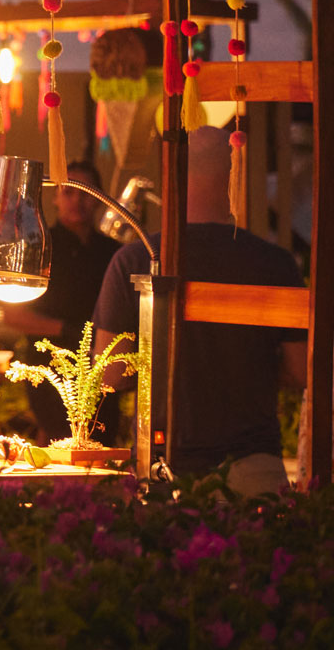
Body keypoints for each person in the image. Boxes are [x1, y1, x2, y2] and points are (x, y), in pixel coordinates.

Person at [93, 126, 306, 495]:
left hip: (163, 467)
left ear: (172, 179)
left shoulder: (135, 259)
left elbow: (109, 373)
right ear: (234, 179)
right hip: (254, 466)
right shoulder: (275, 264)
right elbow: (302, 368)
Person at [2, 159, 123, 443]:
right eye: (69, 192)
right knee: (60, 442)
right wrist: (67, 330)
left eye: (85, 193)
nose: (77, 201)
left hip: (100, 369)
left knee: (102, 444)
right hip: (49, 369)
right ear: (55, 197)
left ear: (99, 198)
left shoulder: (112, 253)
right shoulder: (39, 246)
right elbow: (12, 315)